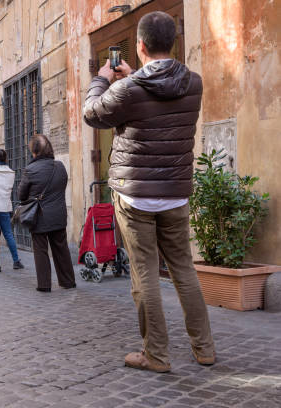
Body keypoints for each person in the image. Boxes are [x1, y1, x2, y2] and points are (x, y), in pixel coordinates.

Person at [83, 11, 215, 373]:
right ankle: (204, 349)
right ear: (171, 42)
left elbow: (93, 113)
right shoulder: (195, 82)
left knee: (145, 275)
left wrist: (102, 79)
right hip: (176, 192)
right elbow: (158, 96)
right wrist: (133, 79)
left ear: (139, 46)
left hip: (135, 193)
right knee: (184, 270)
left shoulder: (128, 89)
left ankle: (156, 354)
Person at [17, 134, 75, 292]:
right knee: (61, 249)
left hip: (39, 216)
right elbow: (62, 186)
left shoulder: (30, 170)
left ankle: (44, 285)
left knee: (41, 250)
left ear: (34, 152)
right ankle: (68, 281)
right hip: (58, 214)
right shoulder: (60, 166)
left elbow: (21, 195)